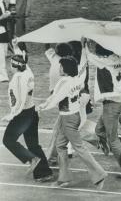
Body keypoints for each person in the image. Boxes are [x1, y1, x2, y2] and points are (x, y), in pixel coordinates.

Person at [37, 56, 107, 189]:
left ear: (66, 68)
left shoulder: (64, 81)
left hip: (68, 119)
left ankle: (99, 174)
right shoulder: (77, 79)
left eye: (61, 66)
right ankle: (64, 178)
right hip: (71, 116)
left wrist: (43, 107)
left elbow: (55, 98)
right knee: (60, 145)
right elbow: (57, 96)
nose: (60, 69)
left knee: (79, 147)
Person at [2, 48, 53, 182]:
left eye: (11, 64)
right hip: (32, 112)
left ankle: (31, 159)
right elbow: (25, 62)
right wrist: (17, 46)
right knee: (33, 144)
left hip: (23, 115)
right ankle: (44, 173)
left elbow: (20, 100)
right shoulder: (28, 73)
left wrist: (12, 114)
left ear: (14, 66)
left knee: (8, 140)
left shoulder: (18, 79)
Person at [85, 39, 121, 179]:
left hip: (111, 104)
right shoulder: (116, 58)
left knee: (113, 140)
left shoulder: (104, 62)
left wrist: (85, 44)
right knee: (99, 130)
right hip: (114, 102)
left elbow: (89, 56)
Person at [0, 0, 11, 82]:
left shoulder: (2, 2)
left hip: (3, 32)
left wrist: (8, 14)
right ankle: (3, 76)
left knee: (4, 53)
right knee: (1, 55)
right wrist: (3, 17)